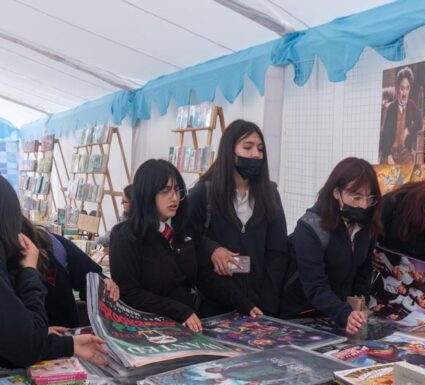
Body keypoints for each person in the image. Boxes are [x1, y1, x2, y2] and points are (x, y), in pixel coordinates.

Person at [110, 159, 261, 332]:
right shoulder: (124, 236)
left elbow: (204, 277)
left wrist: (243, 303)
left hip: (186, 326)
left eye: (177, 190)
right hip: (146, 329)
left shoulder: (182, 231)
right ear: (147, 194)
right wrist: (178, 310)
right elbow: (129, 294)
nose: (174, 198)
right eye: (165, 191)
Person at [0, 175, 107, 368]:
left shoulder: (53, 246)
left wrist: (63, 343)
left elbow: (93, 277)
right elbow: (26, 344)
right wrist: (29, 272)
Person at [187, 120, 288, 317]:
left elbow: (278, 252)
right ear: (229, 151)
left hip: (259, 306)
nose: (256, 154)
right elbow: (186, 236)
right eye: (247, 147)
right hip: (215, 304)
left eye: (260, 149)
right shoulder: (204, 192)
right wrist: (212, 248)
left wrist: (268, 305)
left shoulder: (270, 194)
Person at [280, 157, 382, 335]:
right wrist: (344, 314)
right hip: (300, 316)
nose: (364, 205)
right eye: (356, 197)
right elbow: (315, 285)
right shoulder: (311, 227)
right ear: (336, 193)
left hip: (338, 319)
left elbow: (363, 273)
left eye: (369, 198)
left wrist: (359, 306)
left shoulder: (367, 227)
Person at [21, 217, 119, 329]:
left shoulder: (53, 245)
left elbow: (90, 277)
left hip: (66, 335)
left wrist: (104, 284)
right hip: (32, 340)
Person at [379, 66, 423, 165]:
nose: (404, 93)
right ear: (397, 88)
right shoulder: (391, 108)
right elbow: (385, 135)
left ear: (410, 88)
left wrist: (409, 130)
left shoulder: (411, 105)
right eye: (402, 88)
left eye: (407, 88)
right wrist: (388, 156)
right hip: (390, 151)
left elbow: (419, 123)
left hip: (404, 152)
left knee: (410, 175)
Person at [96, 184, 132, 249]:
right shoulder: (125, 215)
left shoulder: (135, 224)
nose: (121, 203)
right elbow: (112, 233)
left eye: (124, 201)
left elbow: (113, 236)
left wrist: (97, 241)